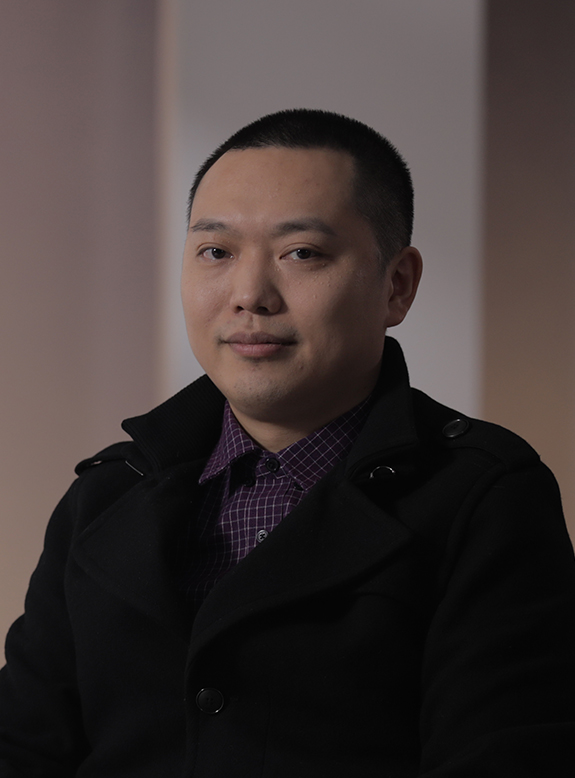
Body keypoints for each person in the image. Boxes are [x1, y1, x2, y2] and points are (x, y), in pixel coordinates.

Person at [1, 109, 574, 777]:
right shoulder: (107, 494)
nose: (249, 294)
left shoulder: (484, 496)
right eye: (216, 252)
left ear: (397, 285)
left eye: (302, 253)